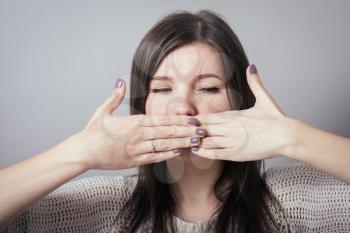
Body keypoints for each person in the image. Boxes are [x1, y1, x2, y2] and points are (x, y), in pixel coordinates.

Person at [0, 9, 349, 233]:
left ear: (241, 101)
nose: (183, 108)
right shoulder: (96, 205)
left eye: (209, 88)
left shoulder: (297, 199)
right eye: (163, 89)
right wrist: (79, 152)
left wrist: (291, 137)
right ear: (143, 106)